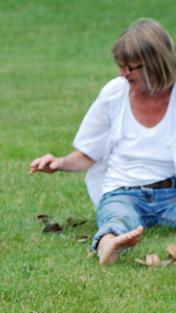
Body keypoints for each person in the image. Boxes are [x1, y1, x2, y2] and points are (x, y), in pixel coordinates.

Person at [29, 18, 176, 265]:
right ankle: (110, 245)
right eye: (120, 66)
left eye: (130, 67)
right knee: (116, 218)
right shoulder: (114, 93)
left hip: (171, 191)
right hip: (124, 191)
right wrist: (58, 163)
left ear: (156, 65)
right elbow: (88, 153)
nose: (123, 73)